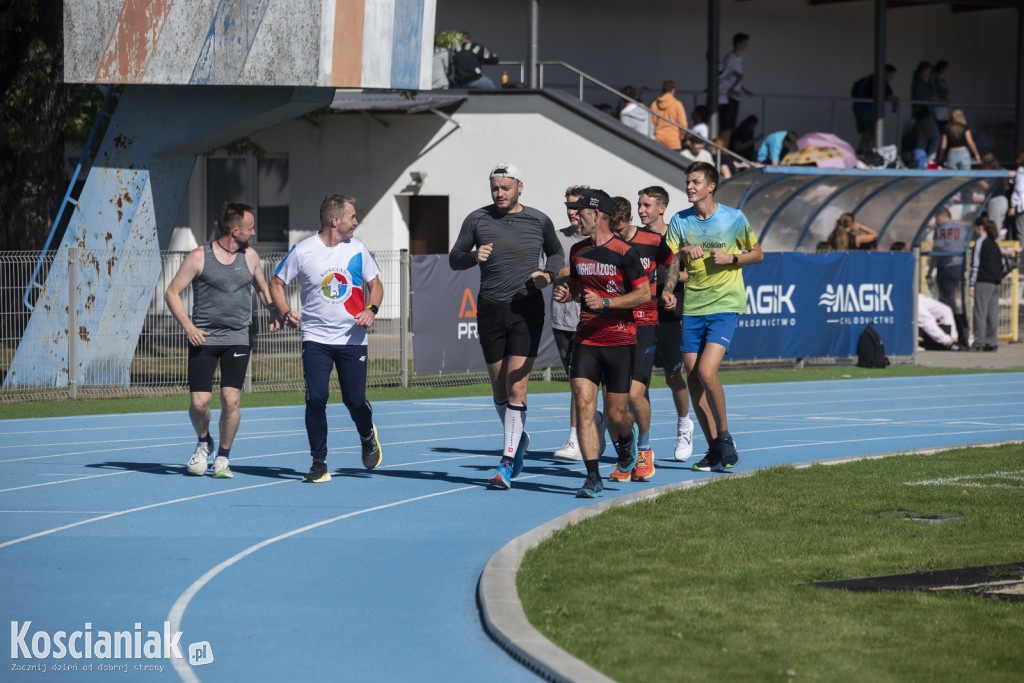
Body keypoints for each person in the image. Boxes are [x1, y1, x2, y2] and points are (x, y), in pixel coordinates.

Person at [449, 163, 563, 489]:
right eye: (495, 188)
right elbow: (454, 256)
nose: (499, 194)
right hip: (489, 309)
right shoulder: (476, 219)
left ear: (519, 187)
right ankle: (518, 439)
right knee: (499, 388)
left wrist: (547, 274)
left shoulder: (539, 220)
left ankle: (507, 461)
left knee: (516, 387)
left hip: (525, 309)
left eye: (505, 188)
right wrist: (473, 257)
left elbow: (556, 254)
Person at [270, 195, 384, 483]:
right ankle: (318, 462)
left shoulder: (358, 249)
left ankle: (366, 434)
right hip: (315, 338)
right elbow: (276, 282)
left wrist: (371, 309)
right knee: (316, 398)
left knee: (355, 400)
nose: (356, 221)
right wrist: (284, 311)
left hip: (352, 339)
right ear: (335, 221)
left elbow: (375, 285)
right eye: (352, 217)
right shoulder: (303, 250)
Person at [164, 203, 282, 479]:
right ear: (235, 230)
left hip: (239, 337)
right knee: (199, 403)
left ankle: (224, 457)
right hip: (203, 337)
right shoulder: (198, 256)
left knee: (231, 400)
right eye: (250, 228)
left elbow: (263, 290)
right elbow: (171, 293)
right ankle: (204, 441)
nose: (254, 232)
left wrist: (274, 311)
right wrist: (189, 327)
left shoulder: (251, 256)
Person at [665, 162, 763, 472]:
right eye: (687, 181)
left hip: (725, 306)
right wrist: (673, 277)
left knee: (707, 373)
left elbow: (758, 254)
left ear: (711, 186)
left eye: (695, 181)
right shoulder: (680, 222)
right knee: (693, 380)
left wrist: (731, 257)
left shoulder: (734, 218)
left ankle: (725, 438)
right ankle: (713, 449)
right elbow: (669, 261)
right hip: (693, 307)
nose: (689, 186)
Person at [552, 189, 650, 498]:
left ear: (597, 215)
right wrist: (569, 293)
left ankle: (627, 441)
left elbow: (644, 294)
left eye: (580, 212)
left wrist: (607, 302)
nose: (575, 216)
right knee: (583, 404)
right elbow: (581, 289)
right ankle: (592, 477)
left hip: (620, 339)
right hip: (587, 338)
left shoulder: (625, 252)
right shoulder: (578, 251)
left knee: (615, 416)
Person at [605, 197, 674, 484]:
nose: (617, 235)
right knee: (613, 405)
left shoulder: (652, 240)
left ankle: (644, 450)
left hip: (645, 323)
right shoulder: (605, 246)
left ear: (629, 220)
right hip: (615, 324)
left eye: (620, 229)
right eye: (613, 230)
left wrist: (668, 288)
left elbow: (672, 262)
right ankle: (626, 453)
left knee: (635, 395)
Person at [550, 185, 606, 461]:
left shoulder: (599, 240)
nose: (573, 212)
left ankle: (598, 427)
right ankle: (579, 433)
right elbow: (545, 272)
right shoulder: (556, 238)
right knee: (576, 384)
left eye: (578, 207)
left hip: (594, 322)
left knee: (597, 385)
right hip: (563, 321)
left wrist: (570, 272)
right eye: (569, 207)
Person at [638, 186, 694, 462]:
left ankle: (684, 426)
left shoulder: (678, 234)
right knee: (640, 381)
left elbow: (694, 275)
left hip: (669, 314)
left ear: (662, 208)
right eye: (639, 205)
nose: (641, 211)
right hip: (641, 314)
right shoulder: (637, 237)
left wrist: (668, 279)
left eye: (647, 205)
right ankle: (642, 443)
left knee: (673, 375)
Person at [969, 216, 1002, 352]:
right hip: (996, 282)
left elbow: (976, 264)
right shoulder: (994, 244)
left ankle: (979, 342)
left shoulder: (980, 242)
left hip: (983, 281)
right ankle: (991, 341)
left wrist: (972, 283)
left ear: (980, 227)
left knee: (980, 313)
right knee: (992, 313)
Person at [926, 207, 969, 312]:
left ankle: (952, 323)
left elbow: (936, 254)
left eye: (937, 218)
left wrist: (929, 273)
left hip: (946, 268)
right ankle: (959, 321)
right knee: (959, 297)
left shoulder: (940, 231)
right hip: (960, 267)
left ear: (942, 216)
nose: (936, 221)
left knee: (947, 299)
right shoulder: (962, 229)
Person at [851, 64, 897, 151]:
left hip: (865, 110)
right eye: (890, 75)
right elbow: (875, 95)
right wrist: (888, 98)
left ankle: (866, 151)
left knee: (871, 133)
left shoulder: (876, 80)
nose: (891, 78)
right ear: (886, 73)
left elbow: (889, 93)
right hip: (864, 110)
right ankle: (862, 152)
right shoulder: (875, 80)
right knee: (867, 132)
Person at [717, 33, 752, 148]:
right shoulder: (730, 57)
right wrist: (731, 90)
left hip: (734, 95)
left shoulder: (739, 58)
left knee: (730, 127)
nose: (746, 45)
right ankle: (721, 150)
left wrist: (745, 91)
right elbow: (731, 76)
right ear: (738, 43)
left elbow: (738, 79)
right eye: (744, 43)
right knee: (725, 127)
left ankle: (724, 150)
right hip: (727, 97)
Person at [911, 62, 942, 165]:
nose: (930, 73)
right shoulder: (919, 82)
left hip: (923, 114)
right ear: (924, 70)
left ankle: (918, 162)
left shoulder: (924, 82)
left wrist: (932, 82)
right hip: (923, 113)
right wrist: (932, 98)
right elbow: (921, 97)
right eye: (929, 71)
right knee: (936, 137)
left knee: (922, 141)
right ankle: (930, 160)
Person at [650, 79, 688, 152]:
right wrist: (681, 136)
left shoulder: (654, 104)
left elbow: (652, 122)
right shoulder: (677, 104)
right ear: (673, 90)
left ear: (662, 90)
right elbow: (683, 124)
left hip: (658, 139)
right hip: (673, 141)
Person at [1009, 148, 1024, 242]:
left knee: (1021, 232)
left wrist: (1013, 205)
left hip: (1022, 206)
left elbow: (1019, 189)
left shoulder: (1021, 171)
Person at [932, 60, 950, 132]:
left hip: (944, 107)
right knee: (939, 126)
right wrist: (942, 100)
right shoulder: (935, 80)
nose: (948, 70)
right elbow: (934, 94)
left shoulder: (943, 81)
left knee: (945, 127)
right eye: (947, 68)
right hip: (937, 107)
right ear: (942, 69)